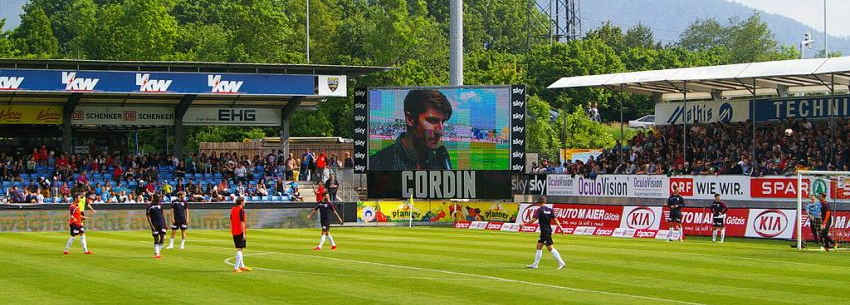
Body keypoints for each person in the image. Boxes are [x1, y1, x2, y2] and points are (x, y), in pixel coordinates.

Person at [369, 89, 453, 170]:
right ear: (410, 119)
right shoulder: (378, 163)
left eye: (443, 121)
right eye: (432, 121)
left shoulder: (441, 159)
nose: (440, 131)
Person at [523, 196, 566, 270]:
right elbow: (555, 220)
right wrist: (561, 227)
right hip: (547, 230)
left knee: (550, 248)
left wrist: (525, 224)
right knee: (539, 246)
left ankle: (561, 263)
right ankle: (535, 264)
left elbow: (533, 220)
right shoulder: (550, 209)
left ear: (538, 202)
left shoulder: (539, 210)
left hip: (544, 231)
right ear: (545, 202)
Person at [230, 197, 251, 272]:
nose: (245, 202)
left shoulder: (233, 209)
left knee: (240, 249)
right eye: (244, 201)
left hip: (234, 230)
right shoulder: (241, 210)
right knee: (239, 249)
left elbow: (231, 220)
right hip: (240, 231)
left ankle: (242, 266)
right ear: (241, 202)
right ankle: (236, 268)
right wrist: (244, 233)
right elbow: (242, 222)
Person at [145, 194, 167, 258]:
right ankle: (157, 253)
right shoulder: (149, 206)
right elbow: (148, 216)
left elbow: (162, 215)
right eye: (158, 197)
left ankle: (157, 251)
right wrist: (151, 225)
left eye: (159, 197)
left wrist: (165, 224)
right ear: (154, 198)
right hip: (154, 224)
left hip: (161, 223)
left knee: (162, 238)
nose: (159, 198)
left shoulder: (160, 205)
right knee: (156, 239)